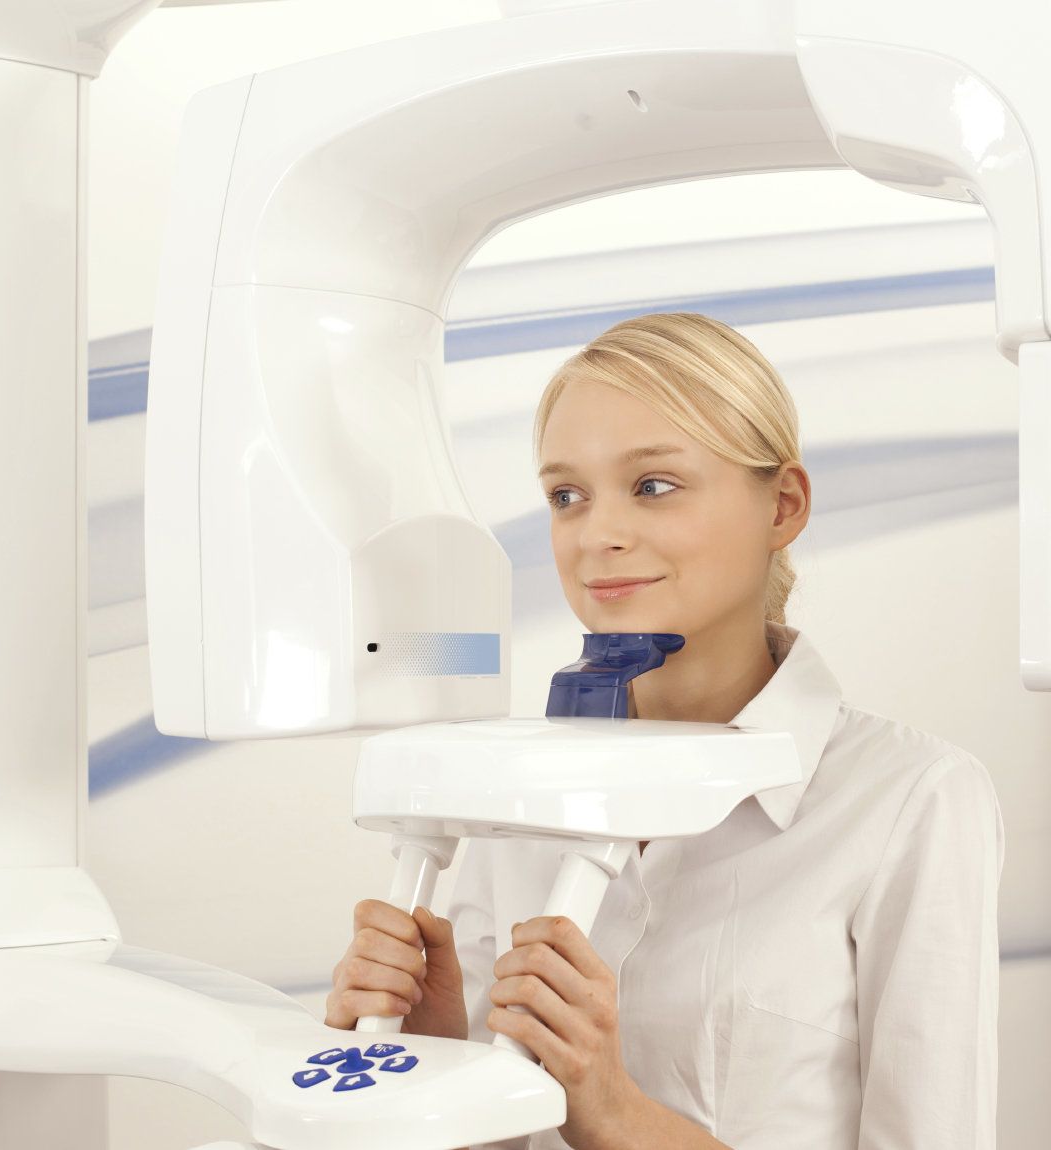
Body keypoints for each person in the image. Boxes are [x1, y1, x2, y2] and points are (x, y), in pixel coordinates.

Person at [326, 312, 1004, 1149]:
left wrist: (614, 1112)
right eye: (566, 496)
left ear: (782, 505)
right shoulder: (514, 792)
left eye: (652, 485)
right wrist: (430, 1063)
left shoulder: (909, 800)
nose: (597, 536)